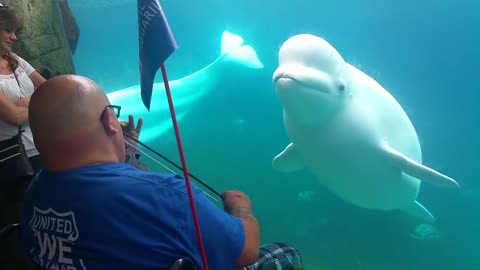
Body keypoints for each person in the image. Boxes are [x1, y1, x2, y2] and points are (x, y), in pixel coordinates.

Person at [20, 74, 303, 269]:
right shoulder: (166, 195)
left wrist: (124, 152)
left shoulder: (34, 193)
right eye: (113, 114)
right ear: (109, 120)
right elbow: (246, 251)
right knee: (285, 254)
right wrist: (242, 209)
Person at [0, 4, 47, 270]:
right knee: (29, 218)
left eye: (15, 30)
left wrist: (20, 103)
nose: (14, 37)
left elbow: (50, 90)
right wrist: (32, 102)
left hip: (42, 145)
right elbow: (13, 118)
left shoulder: (16, 60)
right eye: (8, 30)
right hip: (14, 158)